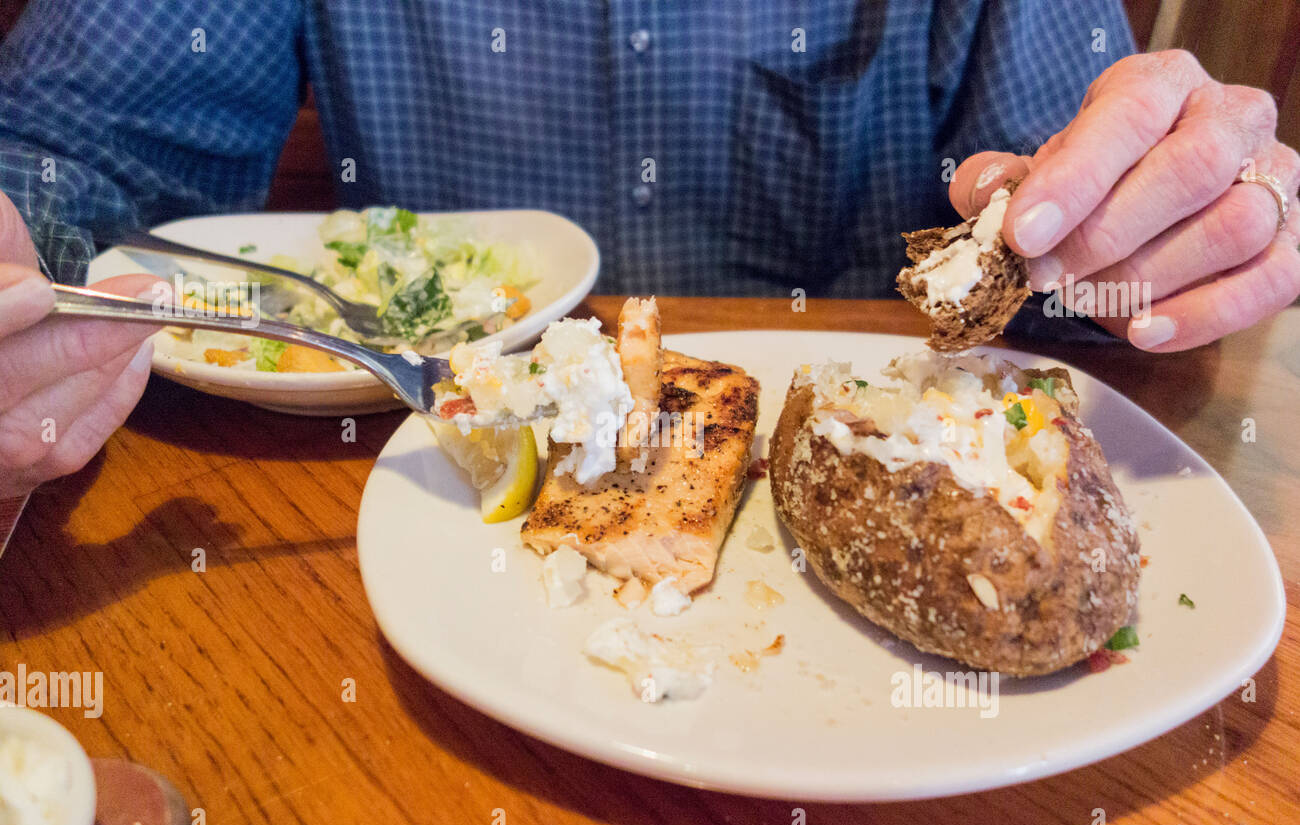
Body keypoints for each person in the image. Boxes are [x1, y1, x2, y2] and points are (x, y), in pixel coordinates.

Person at [0, 0, 1296, 502]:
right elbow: (67, 148)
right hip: (392, 496)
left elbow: (1083, 248)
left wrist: (1183, 215)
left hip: (908, 486)